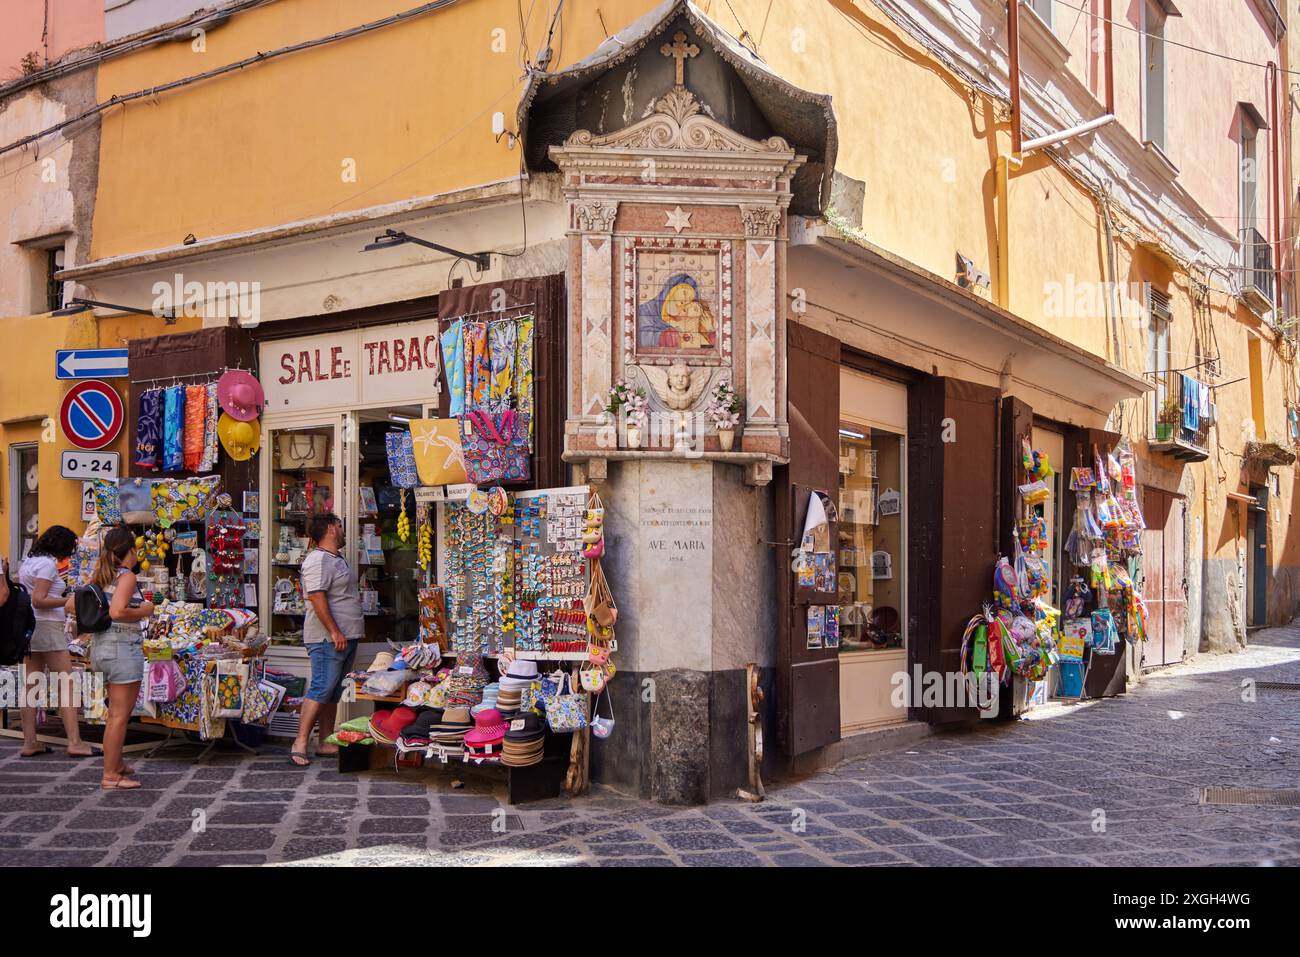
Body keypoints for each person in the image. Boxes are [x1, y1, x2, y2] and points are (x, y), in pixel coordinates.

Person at [290, 512, 362, 767]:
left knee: (333, 690)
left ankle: (325, 740)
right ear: (331, 529)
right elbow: (317, 597)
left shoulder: (335, 558)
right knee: (322, 686)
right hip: (327, 638)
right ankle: (300, 741)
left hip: (345, 636)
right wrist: (334, 631)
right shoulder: (318, 560)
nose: (344, 531)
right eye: (341, 526)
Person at [88, 526, 153, 790]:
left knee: (114, 713)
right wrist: (145, 609)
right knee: (119, 715)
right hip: (122, 648)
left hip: (101, 647)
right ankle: (110, 775)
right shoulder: (126, 577)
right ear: (131, 551)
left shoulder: (101, 574)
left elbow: (73, 604)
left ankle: (116, 764)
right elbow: (117, 611)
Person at [17, 526, 92, 758]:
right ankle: (75, 741)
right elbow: (38, 600)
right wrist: (66, 600)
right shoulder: (48, 565)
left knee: (30, 685)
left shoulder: (28, 562)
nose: (68, 554)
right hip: (47, 627)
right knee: (67, 682)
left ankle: (29, 741)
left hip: (30, 627)